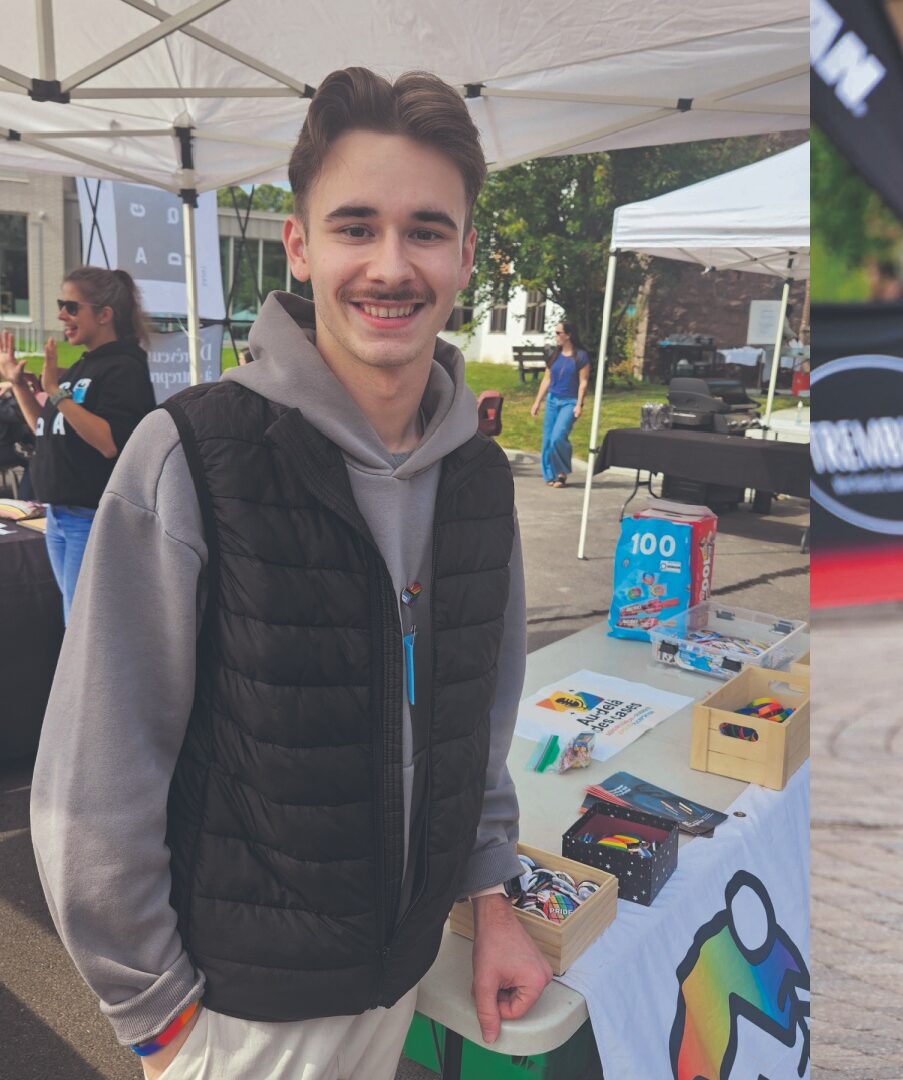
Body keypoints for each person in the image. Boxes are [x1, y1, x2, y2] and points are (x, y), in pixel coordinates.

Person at [31, 68, 549, 1080]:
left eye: (426, 230)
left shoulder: (480, 478)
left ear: (465, 256)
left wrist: (491, 898)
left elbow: (475, 718)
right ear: (301, 247)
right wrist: (160, 1019)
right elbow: (94, 779)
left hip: (400, 974)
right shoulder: (194, 454)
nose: (390, 265)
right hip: (239, 1016)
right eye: (355, 226)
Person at [0, 268, 156, 619]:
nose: (61, 315)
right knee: (77, 620)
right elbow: (47, 427)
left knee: (86, 624)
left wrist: (56, 392)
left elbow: (109, 442)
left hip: (90, 516)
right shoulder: (82, 367)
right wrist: (20, 386)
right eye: (61, 305)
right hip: (60, 516)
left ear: (104, 315)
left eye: (71, 306)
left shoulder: (123, 369)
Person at [530, 319, 590, 487]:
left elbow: (583, 382)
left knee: (558, 437)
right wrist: (537, 402)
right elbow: (546, 380)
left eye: (558, 333)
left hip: (569, 402)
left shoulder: (581, 357)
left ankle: (562, 472)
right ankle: (550, 475)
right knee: (548, 439)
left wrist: (579, 404)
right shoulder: (553, 355)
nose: (555, 336)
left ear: (568, 335)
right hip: (552, 400)